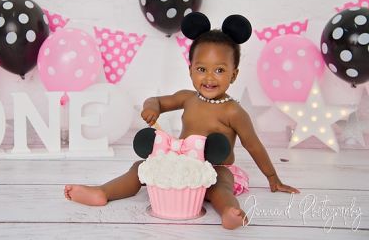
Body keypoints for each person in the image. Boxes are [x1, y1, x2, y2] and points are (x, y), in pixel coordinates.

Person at [64, 12, 300, 229]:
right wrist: (151, 108)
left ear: (234, 74)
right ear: (190, 70)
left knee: (221, 183)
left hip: (215, 167)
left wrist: (272, 177)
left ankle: (230, 211)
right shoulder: (187, 98)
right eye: (201, 69)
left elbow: (253, 145)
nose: (209, 77)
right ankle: (103, 192)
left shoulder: (233, 112)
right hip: (180, 165)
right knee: (139, 169)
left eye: (219, 70)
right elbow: (156, 100)